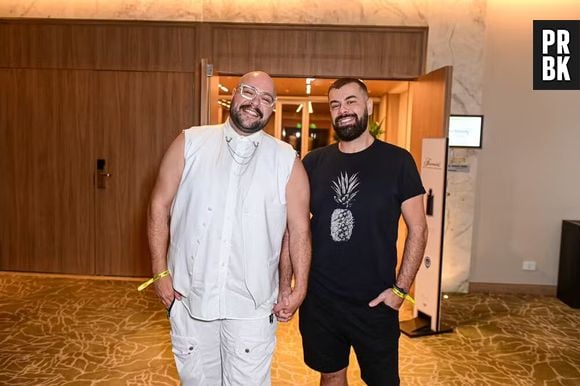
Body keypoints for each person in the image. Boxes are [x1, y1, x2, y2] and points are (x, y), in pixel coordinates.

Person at [145, 70, 311, 385]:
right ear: (233, 95)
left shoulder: (287, 161)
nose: (255, 103)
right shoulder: (190, 142)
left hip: (252, 304)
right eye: (248, 92)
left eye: (266, 98)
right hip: (191, 296)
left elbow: (299, 231)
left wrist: (296, 287)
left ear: (272, 109)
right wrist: (159, 271)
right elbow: (158, 206)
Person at [298, 78, 428, 386]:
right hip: (322, 300)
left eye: (351, 101)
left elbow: (419, 229)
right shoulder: (314, 163)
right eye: (335, 104)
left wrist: (400, 291)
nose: (343, 110)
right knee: (330, 375)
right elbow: (297, 227)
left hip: (376, 301)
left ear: (368, 106)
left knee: (382, 381)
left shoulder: (398, 161)